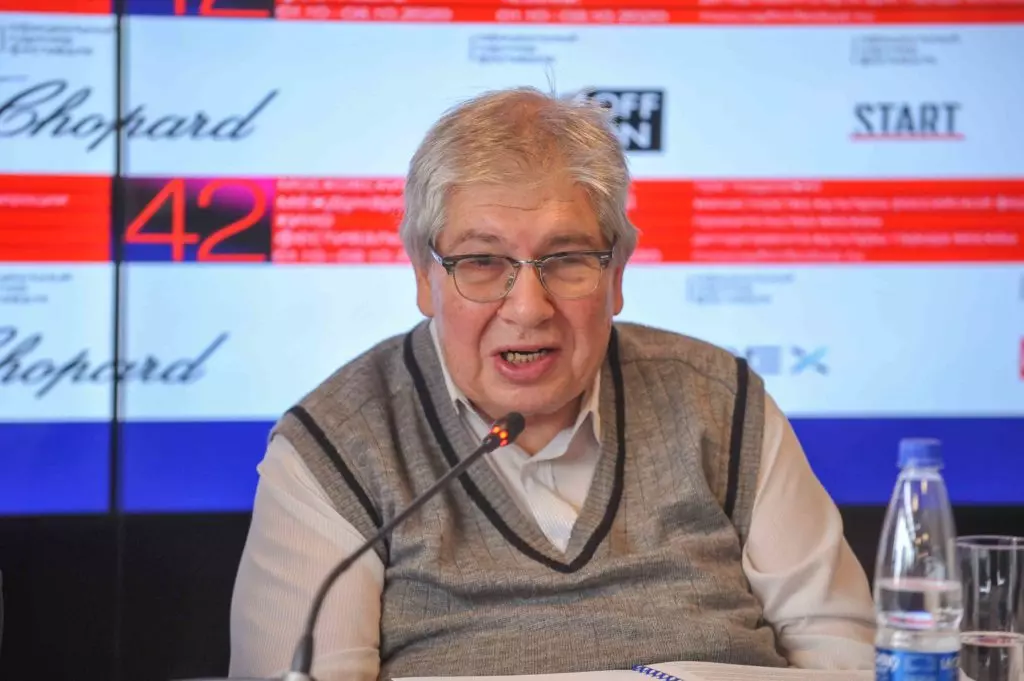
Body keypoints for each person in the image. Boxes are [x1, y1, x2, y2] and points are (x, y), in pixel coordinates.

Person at [228, 87, 875, 681]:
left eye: (566, 260)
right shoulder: (334, 445)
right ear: (425, 277)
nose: (528, 307)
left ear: (617, 274)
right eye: (483, 262)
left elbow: (850, 660)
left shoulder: (721, 402)